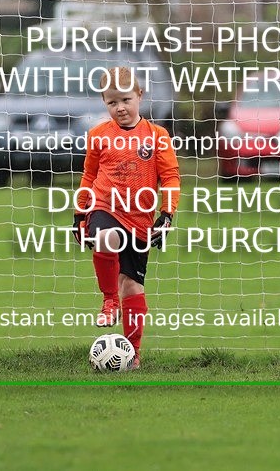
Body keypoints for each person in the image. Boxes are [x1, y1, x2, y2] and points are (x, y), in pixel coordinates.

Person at [72, 66, 180, 369]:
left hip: (141, 218)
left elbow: (170, 178)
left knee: (132, 286)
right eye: (112, 102)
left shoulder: (157, 137)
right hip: (105, 206)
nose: (120, 108)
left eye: (126, 100)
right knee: (108, 237)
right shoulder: (98, 135)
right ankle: (109, 300)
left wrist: (166, 214)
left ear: (139, 96)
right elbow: (89, 176)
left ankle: (132, 354)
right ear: (104, 103)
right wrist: (81, 213)